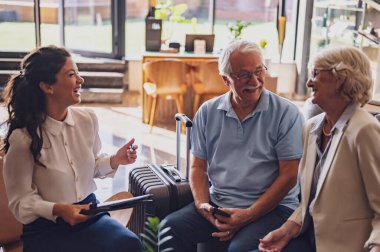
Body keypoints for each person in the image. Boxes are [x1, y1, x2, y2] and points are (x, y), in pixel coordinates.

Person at [158, 40, 305, 251]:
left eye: (258, 71)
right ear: (226, 80)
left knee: (238, 249)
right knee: (168, 230)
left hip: (274, 209)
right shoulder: (208, 112)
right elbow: (198, 167)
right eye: (243, 74)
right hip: (220, 204)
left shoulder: (286, 114)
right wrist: (202, 206)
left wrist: (248, 215)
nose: (254, 80)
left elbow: (290, 175)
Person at [2, 46, 143, 252]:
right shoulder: (23, 138)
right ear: (48, 87)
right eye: (71, 74)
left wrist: (115, 159)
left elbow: (90, 167)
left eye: (78, 72)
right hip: (47, 228)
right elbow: (20, 202)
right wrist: (59, 209)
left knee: (129, 244)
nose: (80, 80)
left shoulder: (88, 120)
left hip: (90, 215)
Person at [259, 46, 380, 252]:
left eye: (315, 74)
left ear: (340, 78)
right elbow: (310, 202)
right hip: (311, 239)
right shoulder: (311, 127)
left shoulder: (365, 130)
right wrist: (286, 230)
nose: (308, 82)